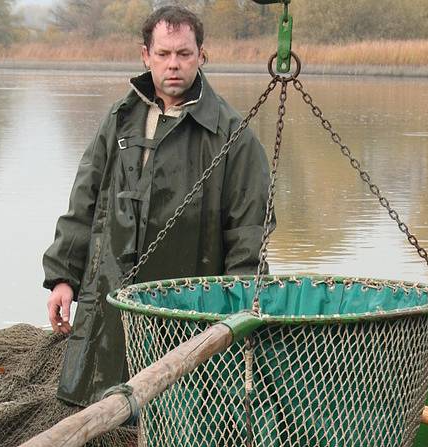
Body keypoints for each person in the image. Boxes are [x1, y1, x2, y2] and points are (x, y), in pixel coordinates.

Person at [43, 5, 272, 407]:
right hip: (108, 303)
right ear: (145, 55)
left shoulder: (233, 135)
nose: (174, 65)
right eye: (163, 54)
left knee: (182, 414)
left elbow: (249, 235)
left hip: (189, 313)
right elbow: (84, 203)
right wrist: (63, 276)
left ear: (202, 56)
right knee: (94, 405)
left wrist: (239, 310)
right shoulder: (119, 119)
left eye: (184, 54)